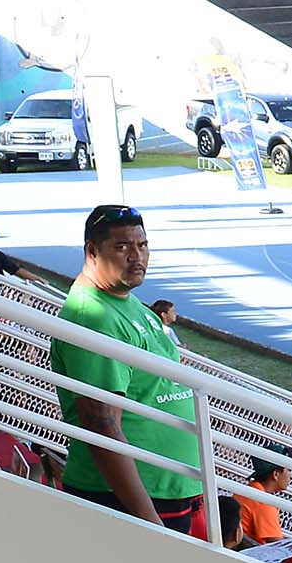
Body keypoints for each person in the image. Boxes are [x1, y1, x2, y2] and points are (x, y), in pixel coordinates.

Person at [53, 204, 205, 535]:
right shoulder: (93, 317)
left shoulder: (125, 301)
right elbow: (101, 425)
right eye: (122, 247)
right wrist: (148, 520)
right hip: (133, 502)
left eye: (142, 245)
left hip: (166, 490)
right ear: (93, 252)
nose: (136, 256)